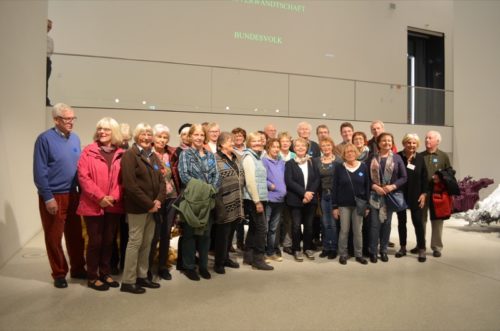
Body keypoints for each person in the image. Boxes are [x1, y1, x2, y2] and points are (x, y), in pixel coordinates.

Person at [33, 103, 86, 288]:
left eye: (73, 118)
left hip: (73, 195)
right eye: (67, 119)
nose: (71, 122)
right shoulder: (44, 139)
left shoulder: (75, 139)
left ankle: (79, 269)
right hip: (54, 195)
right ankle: (59, 273)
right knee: (54, 237)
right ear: (56, 120)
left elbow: (78, 168)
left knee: (75, 235)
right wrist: (48, 197)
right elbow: (39, 171)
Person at [77, 117, 124, 291]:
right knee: (95, 241)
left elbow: (122, 181)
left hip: (113, 205)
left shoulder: (121, 154)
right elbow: (83, 177)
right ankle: (92, 276)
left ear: (114, 133)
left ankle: (105, 273)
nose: (102, 132)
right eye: (100, 129)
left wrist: (113, 197)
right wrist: (100, 197)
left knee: (109, 241)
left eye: (106, 129)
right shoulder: (88, 152)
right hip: (93, 204)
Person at [120, 123, 166, 294]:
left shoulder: (153, 156)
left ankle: (142, 276)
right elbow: (130, 185)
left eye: (149, 134)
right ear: (136, 136)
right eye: (143, 134)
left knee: (146, 243)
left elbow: (162, 181)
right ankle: (128, 281)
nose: (146, 137)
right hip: (138, 208)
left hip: (153, 208)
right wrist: (149, 204)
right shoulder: (130, 155)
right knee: (135, 243)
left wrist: (159, 200)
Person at [177, 124, 220, 280]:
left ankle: (203, 266)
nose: (199, 138)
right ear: (190, 137)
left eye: (202, 135)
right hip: (192, 200)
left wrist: (211, 190)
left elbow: (216, 176)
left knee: (206, 235)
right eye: (196, 135)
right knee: (190, 235)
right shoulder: (185, 154)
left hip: (208, 201)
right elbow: (184, 176)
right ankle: (189, 267)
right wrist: (205, 189)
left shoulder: (210, 156)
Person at [368, 132, 407, 263]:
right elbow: (366, 179)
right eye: (384, 140)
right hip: (375, 196)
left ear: (392, 143)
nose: (387, 143)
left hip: (389, 196)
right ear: (378, 143)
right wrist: (375, 186)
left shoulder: (397, 158)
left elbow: (404, 177)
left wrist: (393, 186)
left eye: (389, 141)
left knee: (387, 224)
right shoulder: (372, 158)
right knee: (374, 225)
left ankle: (383, 250)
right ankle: (373, 251)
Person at [148, 124, 179, 281]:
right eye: (159, 136)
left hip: (171, 197)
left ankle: (162, 266)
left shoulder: (171, 153)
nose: (162, 139)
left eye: (165, 137)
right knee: (153, 235)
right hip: (155, 200)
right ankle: (147, 267)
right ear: (153, 137)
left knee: (166, 233)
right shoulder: (147, 153)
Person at [333, 143, 370, 265]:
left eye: (352, 151)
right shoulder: (339, 167)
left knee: (358, 231)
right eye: (347, 152)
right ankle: (343, 254)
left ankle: (358, 254)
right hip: (343, 205)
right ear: (344, 154)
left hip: (359, 205)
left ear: (356, 153)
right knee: (344, 230)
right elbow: (335, 188)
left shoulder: (363, 167)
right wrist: (335, 206)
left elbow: (367, 187)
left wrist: (367, 205)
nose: (350, 154)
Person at [213, 132, 244, 274]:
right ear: (220, 144)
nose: (232, 143)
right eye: (229, 141)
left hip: (237, 201)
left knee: (231, 233)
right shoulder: (215, 159)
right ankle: (219, 262)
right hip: (223, 202)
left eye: (232, 140)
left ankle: (226, 258)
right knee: (222, 235)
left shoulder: (236, 157)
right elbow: (215, 182)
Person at [241, 132, 273, 270]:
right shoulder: (248, 157)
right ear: (249, 143)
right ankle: (258, 259)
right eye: (254, 142)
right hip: (254, 199)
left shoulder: (258, 157)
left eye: (259, 141)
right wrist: (257, 201)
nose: (258, 143)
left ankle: (248, 257)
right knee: (262, 228)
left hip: (258, 198)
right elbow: (250, 182)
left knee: (254, 227)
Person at [285, 138, 320, 262]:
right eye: (297, 146)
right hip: (295, 199)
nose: (300, 148)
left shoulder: (313, 162)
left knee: (309, 226)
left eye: (303, 146)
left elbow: (317, 179)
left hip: (311, 199)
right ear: (294, 148)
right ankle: (296, 249)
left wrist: (309, 194)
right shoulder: (289, 163)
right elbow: (289, 181)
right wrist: (304, 193)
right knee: (295, 226)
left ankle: (307, 248)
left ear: (307, 148)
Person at [418, 130, 451, 258]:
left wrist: (441, 178)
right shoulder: (420, 156)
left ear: (437, 141)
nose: (427, 140)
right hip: (422, 193)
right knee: (421, 220)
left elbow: (450, 173)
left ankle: (436, 247)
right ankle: (421, 245)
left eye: (430, 138)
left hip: (438, 193)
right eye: (426, 138)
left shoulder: (443, 156)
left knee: (437, 221)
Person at [396, 134, 428, 262]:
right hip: (400, 195)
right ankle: (402, 247)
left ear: (417, 145)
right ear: (404, 143)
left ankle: (421, 249)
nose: (411, 145)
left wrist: (424, 194)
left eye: (414, 143)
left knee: (418, 223)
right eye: (409, 142)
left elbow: (425, 178)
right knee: (401, 223)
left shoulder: (420, 158)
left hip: (416, 196)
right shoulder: (397, 156)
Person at [313, 137, 341, 259]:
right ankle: (326, 247)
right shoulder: (316, 161)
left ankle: (333, 248)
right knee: (325, 223)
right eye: (323, 146)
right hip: (323, 195)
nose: (326, 148)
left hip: (335, 196)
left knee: (333, 223)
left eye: (328, 145)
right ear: (321, 148)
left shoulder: (339, 161)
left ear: (332, 146)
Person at [262, 138, 287, 262]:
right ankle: (262, 253)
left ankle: (271, 252)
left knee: (273, 229)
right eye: (273, 147)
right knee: (265, 228)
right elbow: (261, 177)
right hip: (269, 199)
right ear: (268, 148)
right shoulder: (264, 161)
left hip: (280, 200)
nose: (276, 149)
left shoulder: (281, 162)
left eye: (278, 147)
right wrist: (270, 185)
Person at [277, 131, 295, 255]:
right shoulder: (274, 154)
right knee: (277, 220)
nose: (285, 143)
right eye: (282, 141)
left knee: (289, 220)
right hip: (277, 192)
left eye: (287, 141)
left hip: (291, 192)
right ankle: (275, 243)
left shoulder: (295, 155)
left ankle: (287, 243)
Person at [46, 19, 54, 106]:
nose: (49, 29)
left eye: (50, 27)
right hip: (38, 60)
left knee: (46, 82)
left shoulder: (50, 39)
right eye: (48, 26)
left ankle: (45, 100)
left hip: (47, 61)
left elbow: (51, 51)